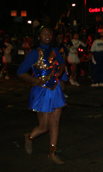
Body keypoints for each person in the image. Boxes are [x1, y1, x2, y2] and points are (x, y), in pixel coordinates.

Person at [17, 26, 67, 165]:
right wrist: (36, 81)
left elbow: (62, 64)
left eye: (49, 33)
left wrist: (60, 76)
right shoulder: (34, 53)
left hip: (55, 90)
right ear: (38, 36)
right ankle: (30, 137)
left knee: (55, 123)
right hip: (41, 92)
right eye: (44, 33)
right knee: (44, 126)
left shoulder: (54, 51)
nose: (47, 35)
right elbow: (20, 72)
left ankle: (52, 153)